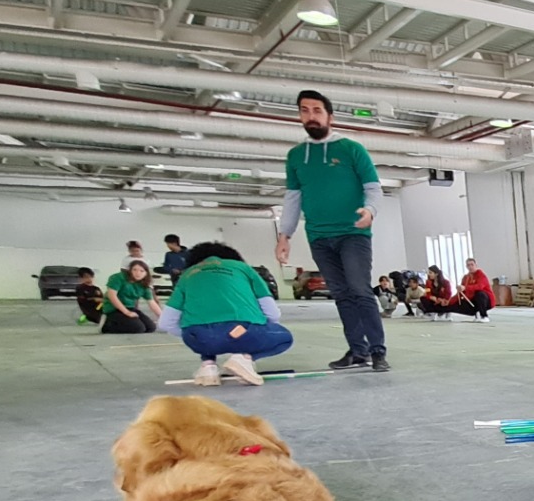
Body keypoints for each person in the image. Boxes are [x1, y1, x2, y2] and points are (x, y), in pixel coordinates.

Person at [276, 89, 389, 372]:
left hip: (353, 234)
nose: (310, 116)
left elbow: (373, 188)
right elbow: (292, 199)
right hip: (319, 236)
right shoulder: (296, 156)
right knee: (340, 294)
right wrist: (284, 235)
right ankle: (357, 350)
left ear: (329, 116)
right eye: (305, 110)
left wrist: (370, 210)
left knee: (360, 290)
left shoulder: (351, 149)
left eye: (317, 110)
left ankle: (378, 351)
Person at [157, 241, 293, 386]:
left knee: (201, 330)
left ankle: (208, 367)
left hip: (198, 340)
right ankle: (244, 359)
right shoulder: (244, 269)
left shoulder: (187, 275)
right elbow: (273, 314)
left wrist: (188, 333)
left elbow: (165, 323)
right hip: (238, 332)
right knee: (284, 337)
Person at [102, 259, 163, 334]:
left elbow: (151, 302)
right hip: (114, 309)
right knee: (138, 328)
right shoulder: (118, 277)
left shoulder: (144, 284)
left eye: (142, 271)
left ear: (146, 273)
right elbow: (112, 296)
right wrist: (126, 312)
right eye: (135, 270)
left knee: (151, 327)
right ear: (130, 270)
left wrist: (164, 318)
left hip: (130, 307)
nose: (138, 273)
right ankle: (106, 326)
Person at [457, 257, 494, 322]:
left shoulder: (481, 275)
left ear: (476, 265)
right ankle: (476, 313)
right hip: (472, 300)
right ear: (466, 267)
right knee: (460, 301)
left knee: (480, 294)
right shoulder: (465, 277)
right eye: (468, 265)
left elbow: (480, 286)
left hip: (486, 300)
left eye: (472, 264)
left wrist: (465, 287)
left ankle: (484, 316)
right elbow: (462, 291)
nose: (470, 267)